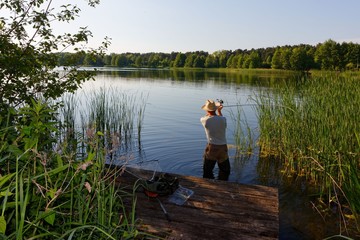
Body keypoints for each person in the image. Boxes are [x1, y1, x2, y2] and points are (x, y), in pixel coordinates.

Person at [200, 99, 230, 180]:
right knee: (225, 171)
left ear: (207, 110)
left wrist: (214, 110)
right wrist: (219, 111)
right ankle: (224, 185)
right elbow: (220, 118)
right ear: (215, 109)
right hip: (223, 148)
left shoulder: (204, 120)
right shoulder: (223, 119)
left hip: (211, 148)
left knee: (207, 171)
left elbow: (208, 116)